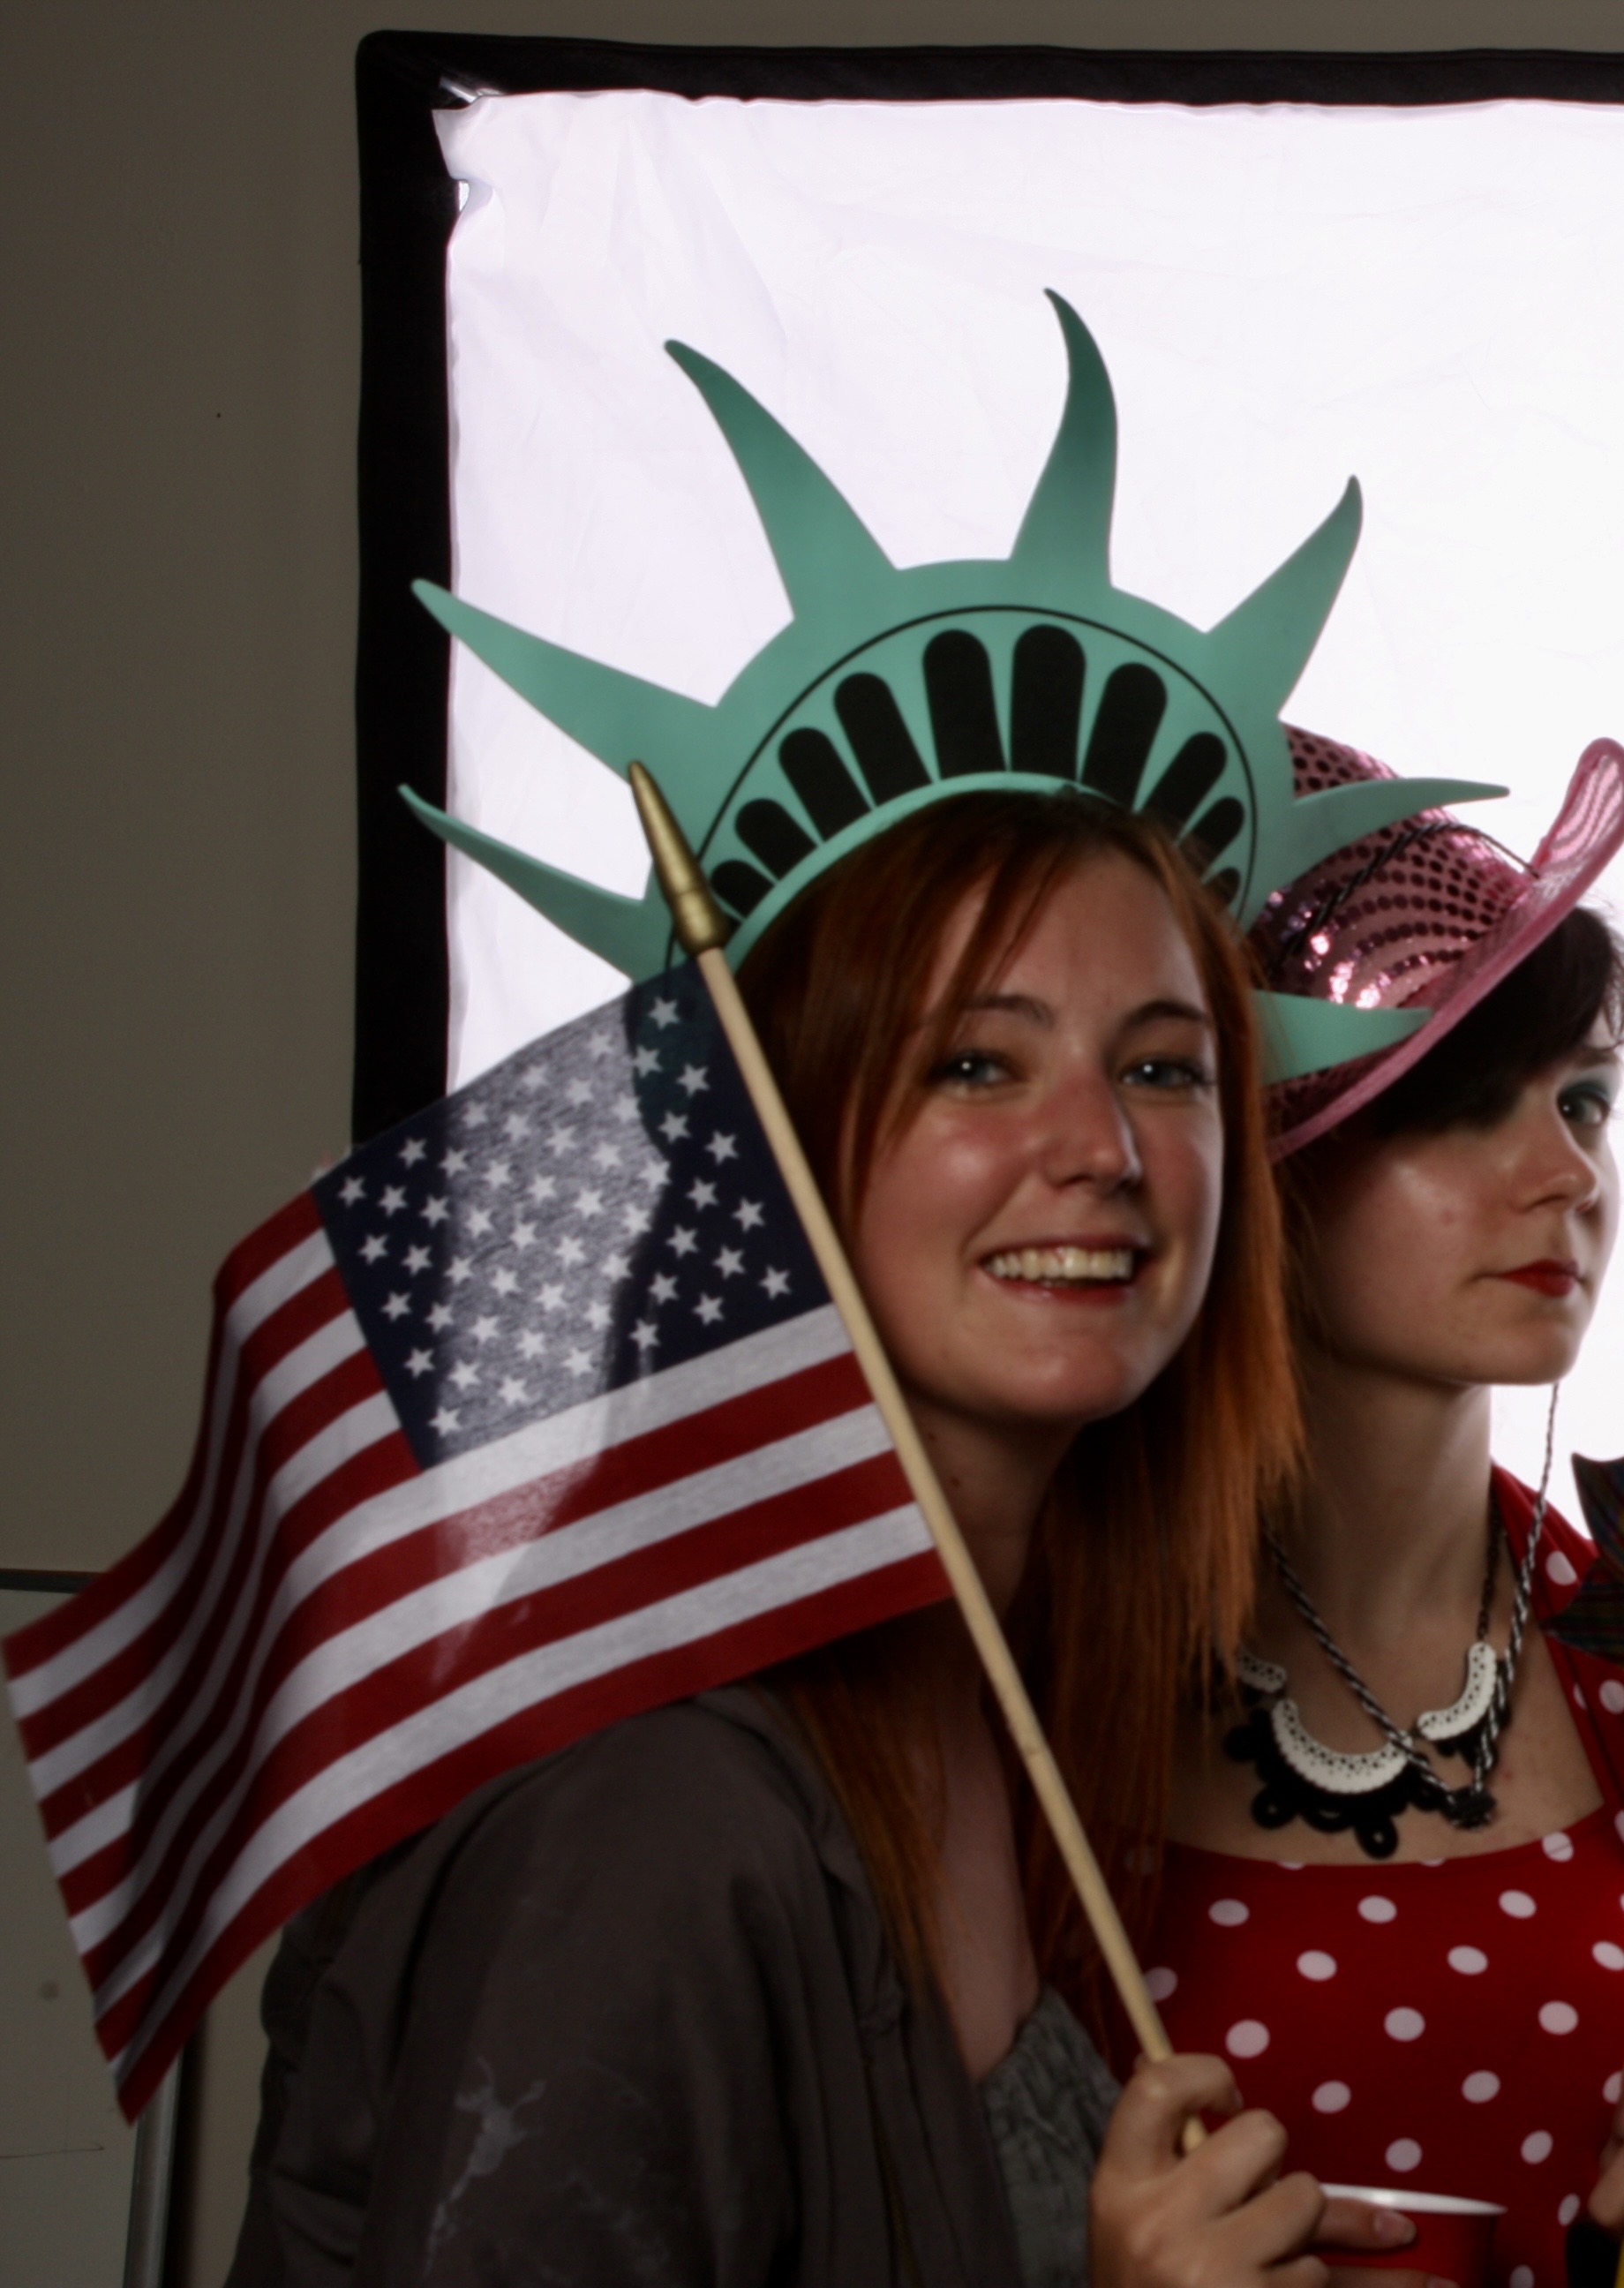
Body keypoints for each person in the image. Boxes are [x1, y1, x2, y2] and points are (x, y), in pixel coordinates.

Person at [231, 301, 1461, 2286]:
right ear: (780, 1147)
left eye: (1160, 1067)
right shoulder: (643, 1814)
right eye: (974, 1063)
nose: (1101, 1148)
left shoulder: (986, 1712)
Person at [1153, 724, 1624, 2288]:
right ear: (1265, 1158)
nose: (1567, 1176)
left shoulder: (1617, 1634)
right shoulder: (1039, 1666)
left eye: (1588, 1100)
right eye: (1459, 1101)